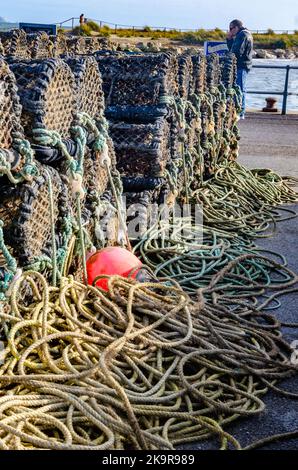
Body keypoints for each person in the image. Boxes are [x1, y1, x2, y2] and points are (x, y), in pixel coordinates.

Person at [227, 19, 253, 118]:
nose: (230, 31)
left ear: (236, 27)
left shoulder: (242, 35)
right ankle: (239, 111)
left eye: (231, 28)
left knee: (240, 88)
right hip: (244, 65)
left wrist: (230, 56)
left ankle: (240, 112)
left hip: (241, 65)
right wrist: (229, 39)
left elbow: (236, 51)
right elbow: (234, 49)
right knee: (240, 88)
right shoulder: (245, 34)